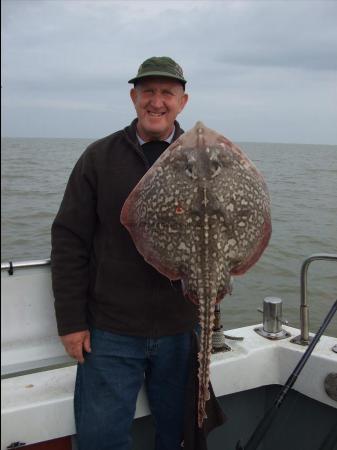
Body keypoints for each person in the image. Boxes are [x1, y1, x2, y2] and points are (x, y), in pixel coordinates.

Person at [51, 56, 199, 450]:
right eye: (148, 92)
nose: (157, 102)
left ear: (182, 101)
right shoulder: (99, 158)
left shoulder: (204, 161)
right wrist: (71, 321)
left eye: (167, 93)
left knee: (179, 437)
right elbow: (69, 240)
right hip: (110, 332)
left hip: (181, 329)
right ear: (133, 97)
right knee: (101, 440)